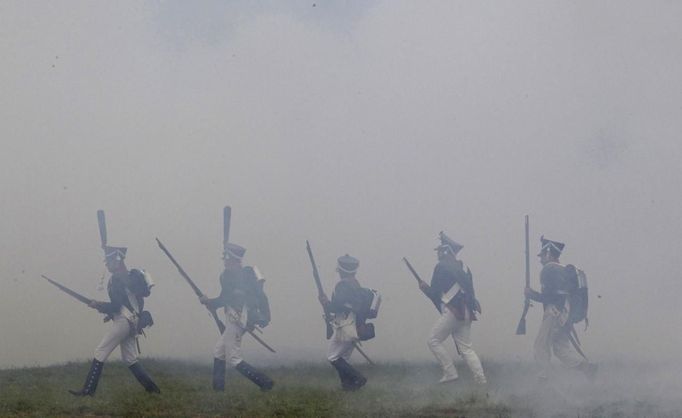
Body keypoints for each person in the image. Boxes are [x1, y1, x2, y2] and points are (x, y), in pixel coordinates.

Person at [70, 246, 160, 396]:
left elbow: (117, 305)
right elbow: (132, 303)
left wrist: (98, 305)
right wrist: (107, 311)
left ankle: (88, 391)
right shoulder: (128, 277)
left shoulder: (117, 278)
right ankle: (153, 390)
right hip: (133, 322)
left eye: (109, 261)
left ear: (117, 261)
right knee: (130, 359)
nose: (107, 264)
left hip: (124, 322)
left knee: (100, 351)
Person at [200, 242, 273, 391]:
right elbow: (226, 297)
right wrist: (212, 303)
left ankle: (265, 382)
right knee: (219, 352)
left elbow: (225, 298)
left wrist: (209, 302)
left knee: (234, 358)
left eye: (227, 258)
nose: (225, 261)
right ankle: (218, 390)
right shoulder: (238, 276)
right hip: (237, 318)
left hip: (237, 319)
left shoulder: (233, 276)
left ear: (233, 259)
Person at [525, 236, 597, 380]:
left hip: (555, 312)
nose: (540, 260)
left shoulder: (549, 269)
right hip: (566, 314)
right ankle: (587, 368)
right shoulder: (562, 270)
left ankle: (544, 378)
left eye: (542, 256)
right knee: (560, 348)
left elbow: (553, 297)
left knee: (541, 345)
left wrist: (532, 295)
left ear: (549, 253)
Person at [419, 232, 487, 385]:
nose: (438, 254)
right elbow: (471, 291)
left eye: (441, 251)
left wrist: (424, 288)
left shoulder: (441, 267)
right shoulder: (465, 268)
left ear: (447, 251)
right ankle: (481, 380)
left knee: (433, 340)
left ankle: (450, 372)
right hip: (467, 311)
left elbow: (435, 293)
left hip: (453, 311)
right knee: (467, 349)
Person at [320, 254, 380, 391]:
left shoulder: (342, 285)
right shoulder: (355, 284)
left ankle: (358, 378)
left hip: (346, 325)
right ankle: (348, 386)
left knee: (333, 357)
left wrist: (326, 303)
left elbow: (339, 306)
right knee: (343, 358)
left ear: (340, 270)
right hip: (354, 325)